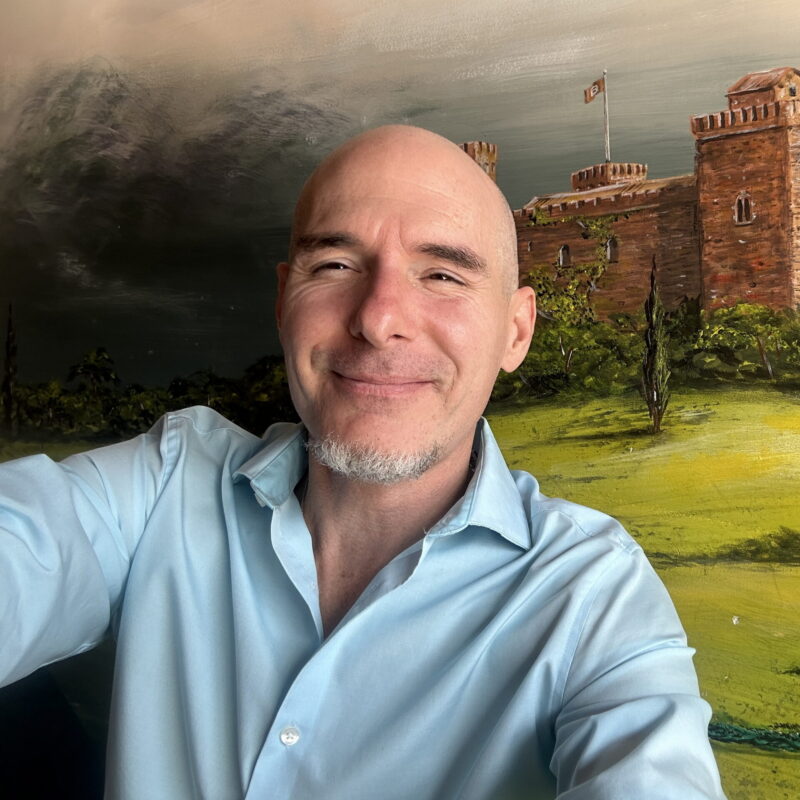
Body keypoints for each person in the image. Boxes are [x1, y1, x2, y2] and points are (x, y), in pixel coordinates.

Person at [0, 125, 725, 799]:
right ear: (284, 302)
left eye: (443, 275)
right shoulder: (164, 484)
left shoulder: (591, 595)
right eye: (336, 264)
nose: (378, 319)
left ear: (516, 331)